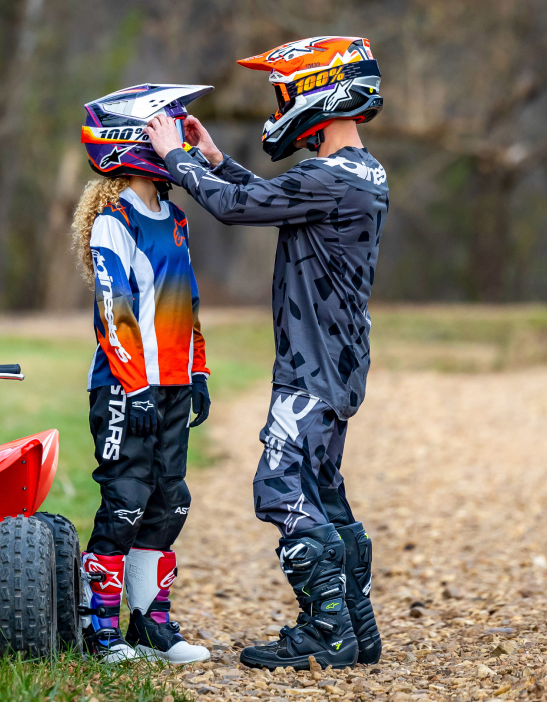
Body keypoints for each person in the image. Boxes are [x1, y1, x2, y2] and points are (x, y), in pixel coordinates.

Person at [143, 37, 387, 670]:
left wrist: (173, 156)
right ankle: (357, 630)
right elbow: (272, 199)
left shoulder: (327, 178)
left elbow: (235, 209)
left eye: (285, 93)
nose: (279, 106)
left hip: (311, 365)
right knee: (323, 491)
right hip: (335, 362)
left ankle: (326, 631)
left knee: (279, 488)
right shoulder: (358, 174)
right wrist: (215, 158)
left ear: (319, 95)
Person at [72, 83, 216, 665]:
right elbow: (115, 311)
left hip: (175, 384)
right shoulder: (114, 220)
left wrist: (197, 371)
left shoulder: (176, 219)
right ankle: (98, 627)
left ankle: (150, 624)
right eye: (166, 126)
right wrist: (134, 386)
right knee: (126, 499)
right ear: (135, 141)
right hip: (125, 388)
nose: (177, 133)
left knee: (168, 501)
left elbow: (188, 303)